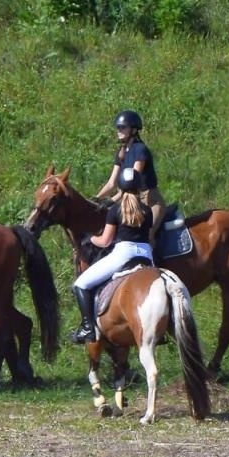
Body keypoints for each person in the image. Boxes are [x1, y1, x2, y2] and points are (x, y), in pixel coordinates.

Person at [70, 183, 155, 344]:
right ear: (139, 190)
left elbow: (105, 241)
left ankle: (88, 328)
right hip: (147, 255)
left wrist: (89, 238)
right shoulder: (147, 210)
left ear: (120, 189)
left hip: (124, 254)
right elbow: (150, 238)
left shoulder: (115, 210)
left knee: (80, 284)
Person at [94, 110, 165, 250]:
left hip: (150, 200)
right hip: (129, 199)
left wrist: (111, 200)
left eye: (122, 127)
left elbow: (132, 183)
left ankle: (154, 267)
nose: (118, 130)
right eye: (118, 128)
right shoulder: (121, 153)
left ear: (133, 130)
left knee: (147, 235)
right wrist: (96, 199)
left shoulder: (141, 150)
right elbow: (111, 183)